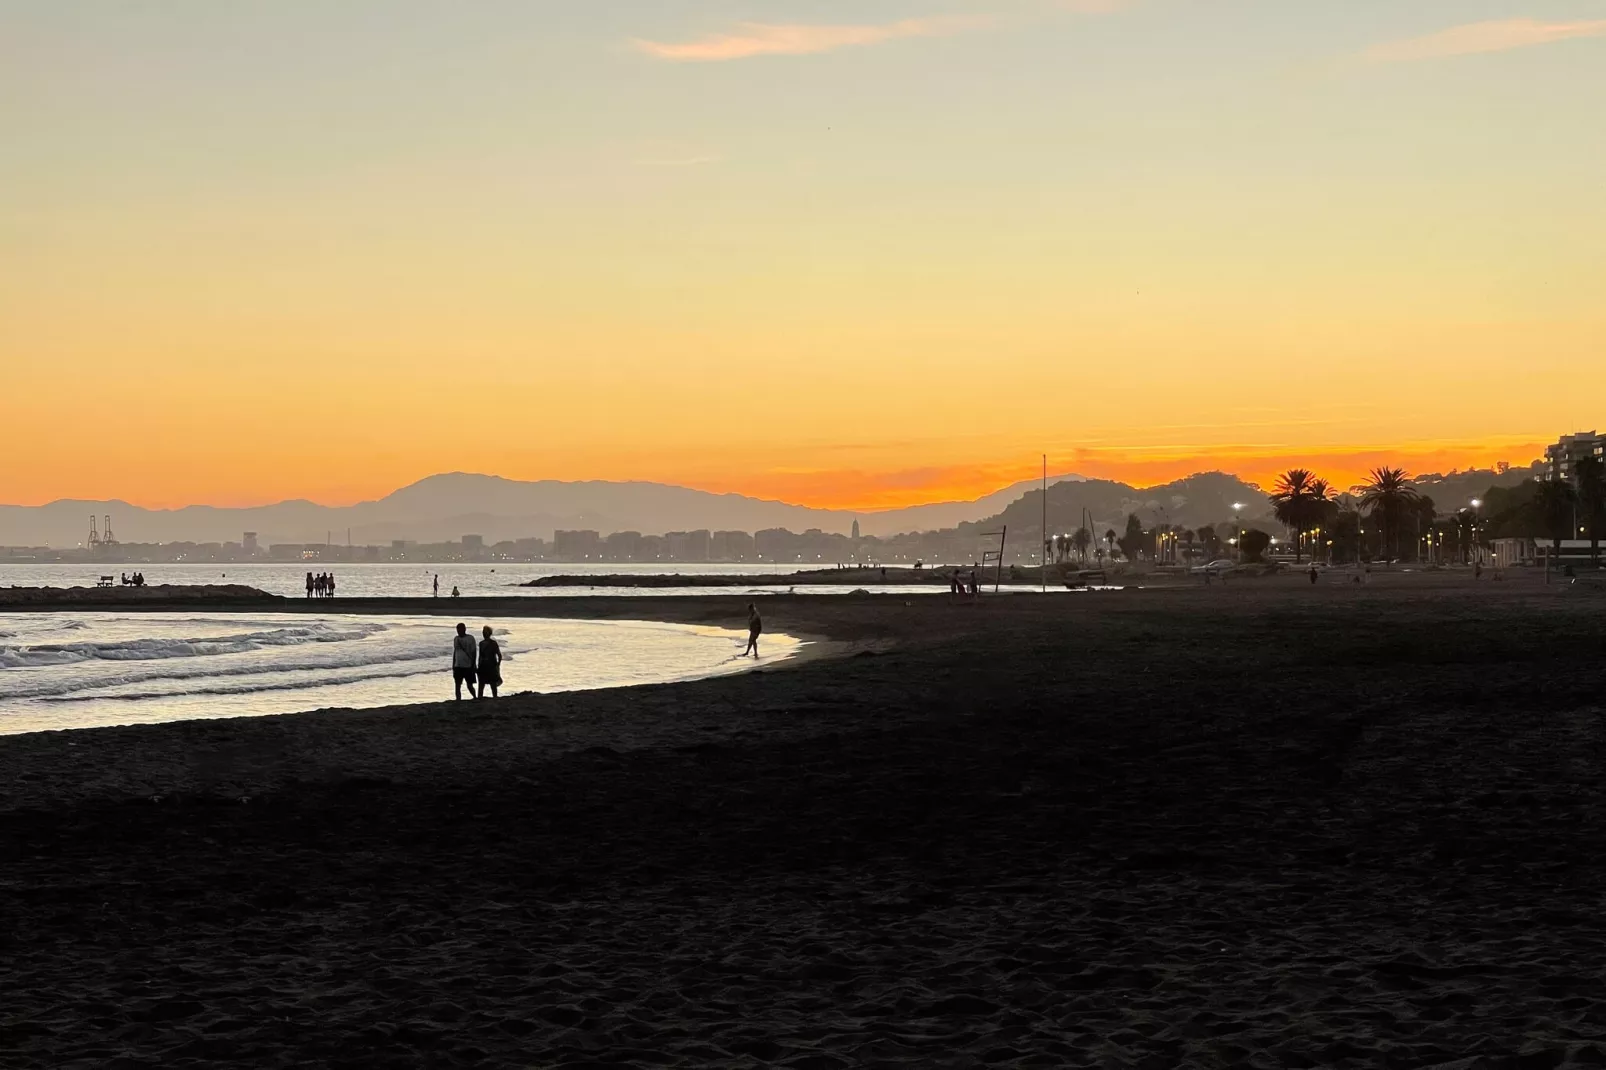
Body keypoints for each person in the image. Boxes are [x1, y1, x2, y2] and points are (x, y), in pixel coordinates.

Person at [452, 623, 478, 700]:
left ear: (464, 629)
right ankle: (458, 700)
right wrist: (453, 664)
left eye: (460, 629)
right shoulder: (456, 639)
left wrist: (473, 665)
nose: (458, 632)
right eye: (457, 630)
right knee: (457, 685)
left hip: (468, 665)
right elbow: (455, 652)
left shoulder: (470, 638)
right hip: (458, 665)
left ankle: (474, 697)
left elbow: (474, 652)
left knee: (469, 685)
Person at [477, 626, 503, 699]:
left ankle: (492, 697)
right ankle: (481, 698)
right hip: (486, 666)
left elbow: (499, 655)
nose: (483, 633)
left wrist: (497, 665)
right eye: (483, 632)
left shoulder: (491, 643)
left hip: (490, 666)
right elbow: (480, 656)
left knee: (491, 684)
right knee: (483, 684)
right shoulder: (483, 643)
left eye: (485, 632)